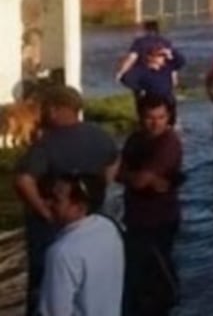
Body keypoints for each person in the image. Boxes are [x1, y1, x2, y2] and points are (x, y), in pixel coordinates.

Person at [13, 85, 119, 316]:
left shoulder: (48, 144)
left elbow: (23, 180)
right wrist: (98, 192)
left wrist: (43, 210)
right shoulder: (100, 135)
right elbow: (113, 161)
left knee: (46, 287)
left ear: (54, 110)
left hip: (52, 227)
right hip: (91, 219)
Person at [118, 96, 184, 316]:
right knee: (138, 277)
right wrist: (136, 177)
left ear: (169, 118)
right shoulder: (135, 139)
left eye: (161, 117)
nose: (155, 123)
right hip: (135, 216)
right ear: (140, 118)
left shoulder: (169, 142)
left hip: (160, 218)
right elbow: (116, 172)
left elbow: (136, 179)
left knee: (159, 276)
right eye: (150, 118)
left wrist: (132, 176)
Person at [38, 173, 125, 316]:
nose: (47, 204)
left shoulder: (61, 254)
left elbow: (55, 312)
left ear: (79, 207)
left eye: (56, 200)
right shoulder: (109, 228)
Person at [120, 43, 186, 125]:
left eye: (163, 56)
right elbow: (125, 79)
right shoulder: (141, 70)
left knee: (171, 119)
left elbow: (181, 61)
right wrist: (138, 88)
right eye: (159, 56)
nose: (162, 58)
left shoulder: (167, 67)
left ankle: (170, 128)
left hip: (167, 97)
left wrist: (170, 52)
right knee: (150, 120)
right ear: (150, 57)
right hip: (150, 99)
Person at [115, 20, 179, 88]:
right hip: (162, 74)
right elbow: (171, 61)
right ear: (157, 29)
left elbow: (132, 58)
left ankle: (141, 91)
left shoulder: (140, 42)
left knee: (129, 77)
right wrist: (174, 78)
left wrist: (121, 73)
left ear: (146, 30)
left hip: (144, 73)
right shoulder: (165, 42)